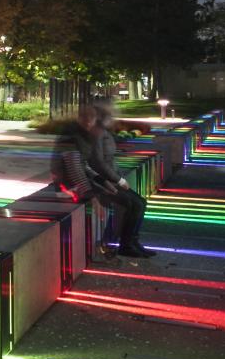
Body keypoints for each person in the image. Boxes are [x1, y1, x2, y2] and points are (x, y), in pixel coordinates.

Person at [51, 103, 155, 258]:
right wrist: (93, 198)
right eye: (84, 117)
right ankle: (127, 245)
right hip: (68, 188)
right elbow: (75, 170)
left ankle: (130, 243)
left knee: (136, 202)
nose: (88, 121)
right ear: (78, 118)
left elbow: (85, 166)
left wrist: (105, 183)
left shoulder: (85, 135)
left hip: (84, 183)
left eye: (91, 117)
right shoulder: (72, 137)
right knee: (132, 202)